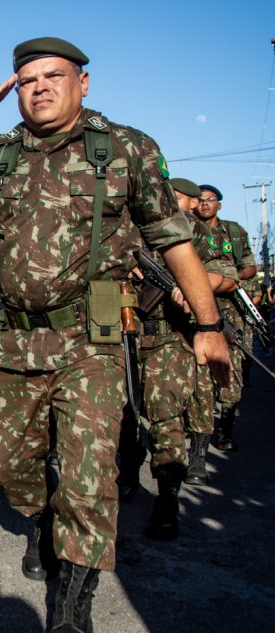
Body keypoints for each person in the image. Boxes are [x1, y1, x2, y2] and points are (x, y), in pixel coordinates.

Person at [0, 37, 229, 633]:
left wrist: (208, 324)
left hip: (89, 340)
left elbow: (172, 237)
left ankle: (73, 600)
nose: (39, 87)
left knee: (86, 473)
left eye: (53, 76)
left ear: (83, 83)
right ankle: (47, 521)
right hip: (10, 339)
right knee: (15, 468)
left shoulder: (126, 149)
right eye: (25, 80)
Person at [118, 177, 239, 540]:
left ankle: (167, 498)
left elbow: (229, 277)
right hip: (121, 335)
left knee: (164, 415)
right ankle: (127, 473)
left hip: (168, 339)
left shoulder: (198, 233)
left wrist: (192, 284)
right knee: (122, 412)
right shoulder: (127, 227)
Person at [195, 183, 256, 454]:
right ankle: (198, 432)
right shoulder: (187, 229)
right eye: (200, 200)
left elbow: (250, 267)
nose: (204, 204)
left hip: (230, 309)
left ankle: (225, 431)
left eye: (210, 200)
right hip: (195, 309)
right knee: (198, 374)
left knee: (231, 374)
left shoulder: (234, 232)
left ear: (220, 204)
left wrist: (227, 279)